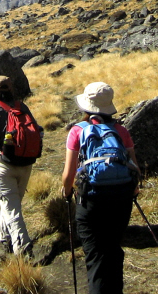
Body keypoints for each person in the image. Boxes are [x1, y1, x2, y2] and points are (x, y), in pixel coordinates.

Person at [61, 82, 138, 294]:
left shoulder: (78, 131)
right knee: (113, 252)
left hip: (91, 200)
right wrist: (133, 190)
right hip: (121, 198)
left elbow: (68, 175)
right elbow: (135, 168)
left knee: (96, 256)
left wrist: (67, 192)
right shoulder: (120, 130)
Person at [0, 75, 39, 255]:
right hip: (26, 161)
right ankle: (5, 239)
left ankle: (23, 247)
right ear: (11, 89)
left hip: (3, 162)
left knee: (10, 206)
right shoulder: (22, 106)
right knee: (11, 204)